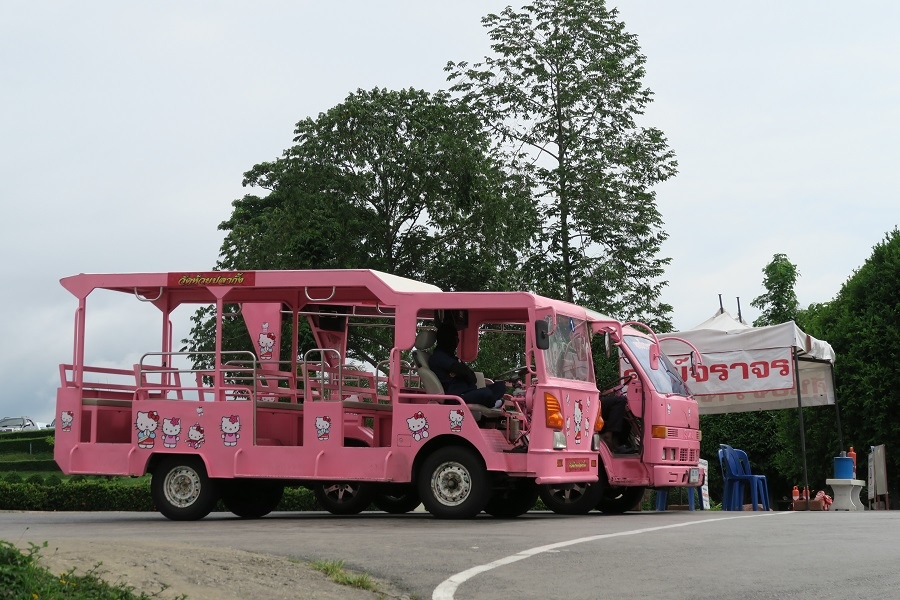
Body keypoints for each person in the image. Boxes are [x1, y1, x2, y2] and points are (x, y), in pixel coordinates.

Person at [429, 321, 508, 408]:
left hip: (469, 391)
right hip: (457, 396)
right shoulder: (439, 356)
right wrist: (464, 373)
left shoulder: (451, 356)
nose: (457, 341)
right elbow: (462, 370)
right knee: (486, 394)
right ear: (446, 339)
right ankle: (491, 403)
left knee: (500, 386)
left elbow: (471, 376)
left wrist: (463, 373)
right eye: (455, 338)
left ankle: (491, 402)